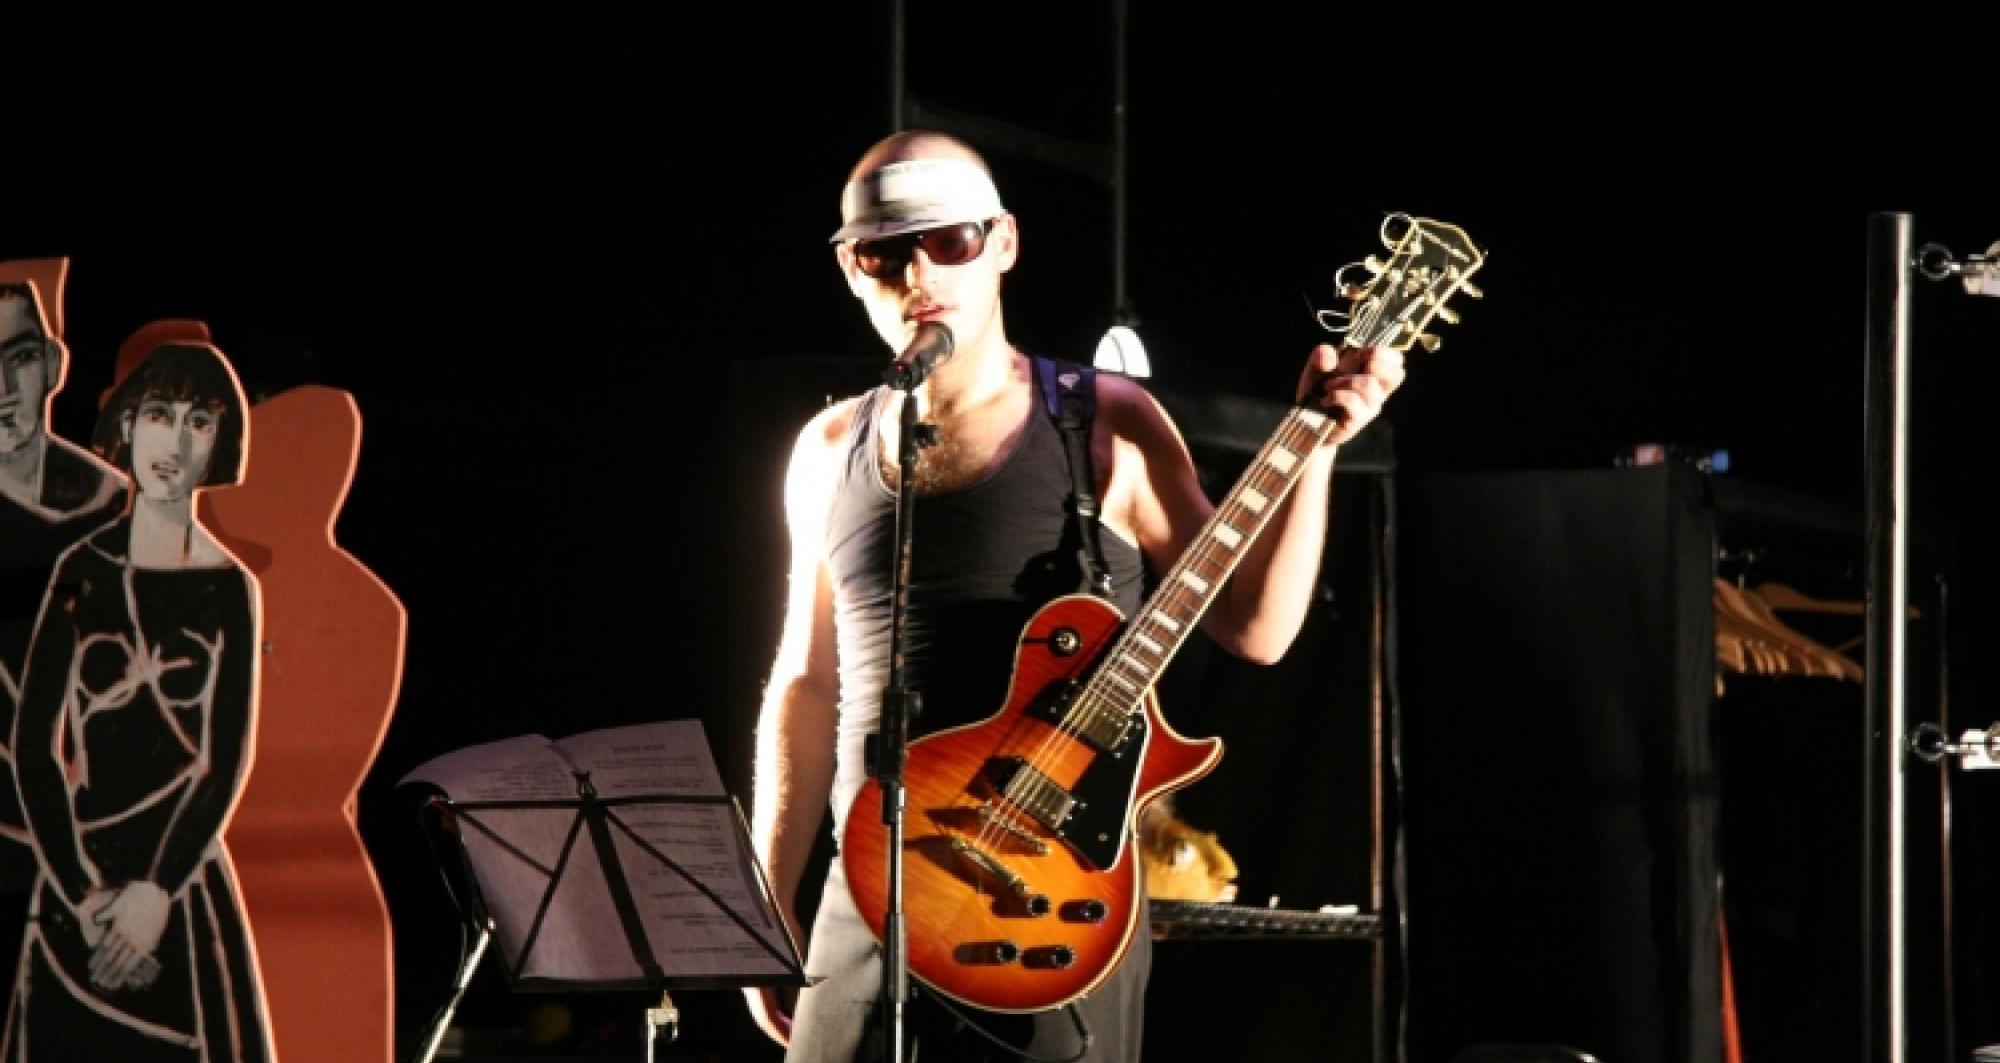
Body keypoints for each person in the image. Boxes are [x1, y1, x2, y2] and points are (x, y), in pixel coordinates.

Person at [742, 129, 1404, 1061]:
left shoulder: (1103, 423)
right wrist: (768, 895)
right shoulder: (824, 453)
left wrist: (1320, 449)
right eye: (885, 252)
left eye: (951, 240)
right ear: (853, 268)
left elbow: (1257, 626)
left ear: (1003, 243)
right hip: (870, 896)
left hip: (1053, 903)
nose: (920, 272)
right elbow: (806, 684)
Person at [4, 340, 272, 1060]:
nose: (174, 443)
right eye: (159, 414)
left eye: (199, 422)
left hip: (179, 884)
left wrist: (157, 891)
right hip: (82, 880)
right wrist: (79, 891)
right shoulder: (79, 570)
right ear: (127, 424)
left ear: (220, 444)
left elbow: (224, 761)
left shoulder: (230, 588)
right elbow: (34, 746)